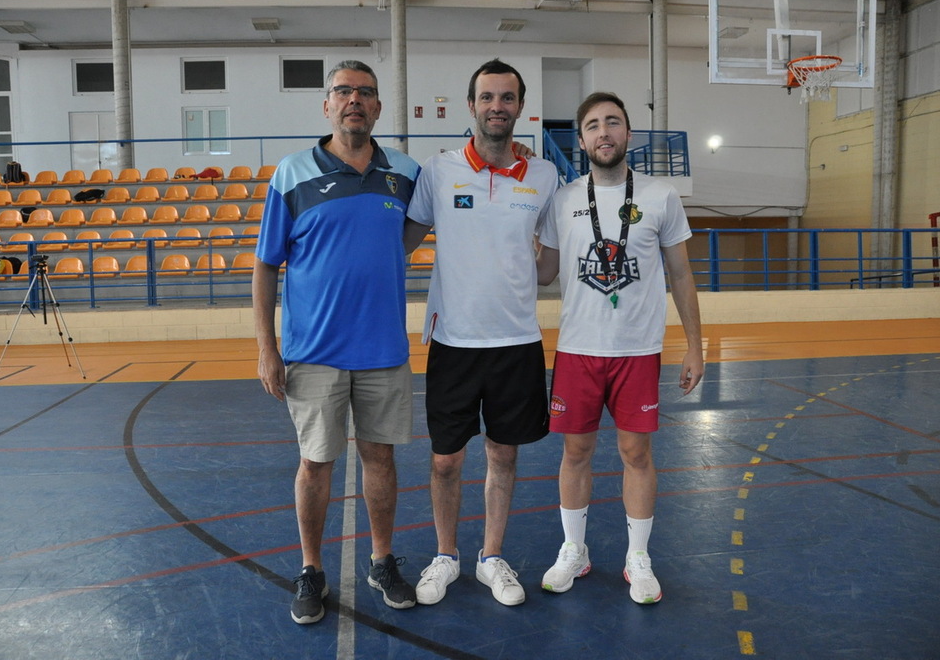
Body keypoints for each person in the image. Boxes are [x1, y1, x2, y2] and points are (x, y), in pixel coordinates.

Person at [252, 59, 419, 625]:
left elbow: (407, 236)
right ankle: (311, 569)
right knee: (315, 464)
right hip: (313, 352)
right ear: (327, 105)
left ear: (378, 107)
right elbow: (265, 266)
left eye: (365, 93)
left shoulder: (405, 172)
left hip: (383, 351)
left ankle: (381, 560)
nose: (354, 100)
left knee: (380, 458)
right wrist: (266, 348)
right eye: (343, 91)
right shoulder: (292, 173)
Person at [535, 92, 704, 604]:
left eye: (613, 122)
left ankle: (638, 557)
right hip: (578, 349)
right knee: (576, 451)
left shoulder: (660, 196)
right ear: (581, 139)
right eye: (592, 125)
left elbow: (681, 274)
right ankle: (575, 550)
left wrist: (696, 347)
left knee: (636, 452)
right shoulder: (562, 199)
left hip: (637, 350)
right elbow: (544, 273)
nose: (603, 132)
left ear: (628, 134)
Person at [403, 59, 559, 607]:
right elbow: (402, 240)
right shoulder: (438, 171)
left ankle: (492, 556)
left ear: (520, 107)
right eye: (488, 97)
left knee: (504, 455)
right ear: (471, 105)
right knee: (446, 458)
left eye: (508, 97)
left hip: (517, 341)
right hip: (454, 341)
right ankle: (446, 555)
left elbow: (547, 267)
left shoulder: (543, 176)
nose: (498, 106)